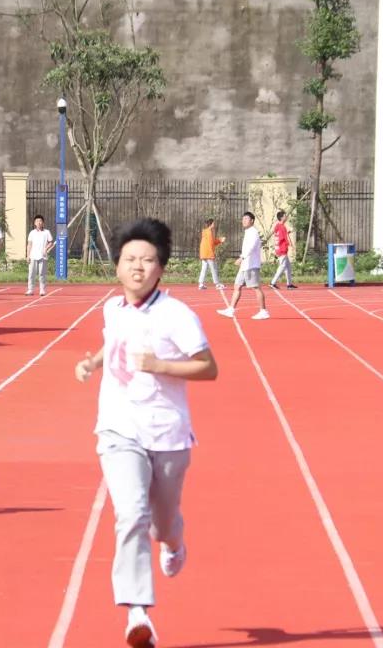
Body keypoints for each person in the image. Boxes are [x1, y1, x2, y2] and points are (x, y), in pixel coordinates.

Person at [73, 218, 218, 648]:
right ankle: (137, 612)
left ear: (161, 268)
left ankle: (174, 542)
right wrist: (93, 363)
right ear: (117, 266)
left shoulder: (177, 315)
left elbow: (208, 367)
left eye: (147, 260)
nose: (138, 267)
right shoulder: (112, 309)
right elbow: (114, 342)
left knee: (161, 524)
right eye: (130, 259)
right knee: (131, 514)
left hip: (168, 433)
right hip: (119, 429)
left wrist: (160, 366)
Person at [217, 212, 269, 320]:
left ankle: (263, 311)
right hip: (245, 265)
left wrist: (242, 258)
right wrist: (243, 259)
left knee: (256, 287)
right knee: (237, 286)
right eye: (243, 219)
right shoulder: (247, 232)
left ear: (252, 221)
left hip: (251, 264)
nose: (244, 220)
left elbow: (251, 247)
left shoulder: (253, 232)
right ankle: (231, 310)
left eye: (246, 218)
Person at [25, 214, 53, 296]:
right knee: (31, 273)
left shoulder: (46, 232)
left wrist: (46, 249)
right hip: (33, 256)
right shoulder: (32, 233)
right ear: (35, 223)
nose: (39, 223)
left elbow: (50, 242)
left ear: (43, 223)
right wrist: (28, 255)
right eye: (37, 221)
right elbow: (29, 244)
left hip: (42, 256)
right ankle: (30, 289)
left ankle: (42, 289)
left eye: (40, 221)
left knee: (42, 274)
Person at [269, 210, 296, 289]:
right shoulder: (282, 227)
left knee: (288, 267)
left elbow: (281, 235)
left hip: (279, 248)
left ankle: (289, 284)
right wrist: (291, 245)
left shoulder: (278, 226)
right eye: (285, 216)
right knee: (282, 266)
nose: (286, 217)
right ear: (281, 218)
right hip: (282, 249)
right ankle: (272, 283)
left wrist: (288, 232)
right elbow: (285, 238)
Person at [197, 218, 225, 290]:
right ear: (211, 224)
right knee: (213, 268)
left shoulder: (205, 231)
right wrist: (220, 240)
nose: (214, 224)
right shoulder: (209, 232)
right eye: (213, 223)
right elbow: (211, 243)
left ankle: (201, 284)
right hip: (208, 253)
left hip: (203, 253)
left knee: (204, 268)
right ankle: (217, 284)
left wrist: (220, 240)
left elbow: (212, 242)